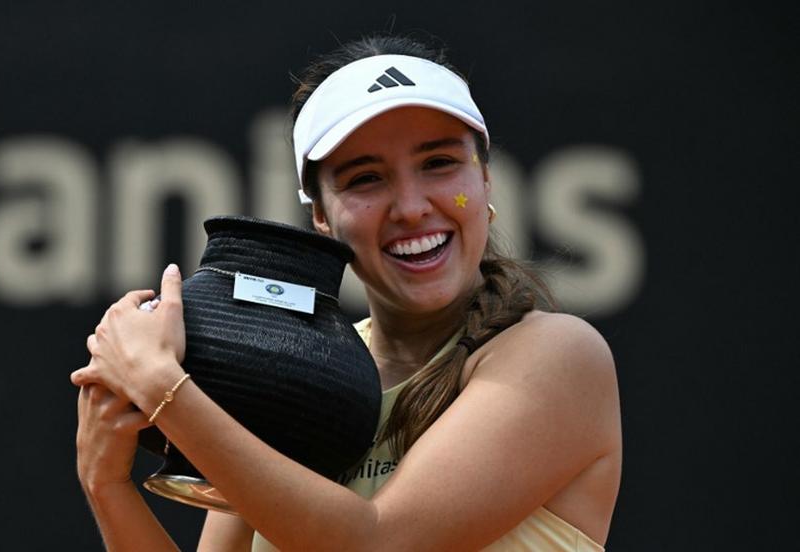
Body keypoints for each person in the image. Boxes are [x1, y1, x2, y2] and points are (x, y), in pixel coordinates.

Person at [71, 33, 622, 551]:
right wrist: (106, 481)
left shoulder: (560, 355)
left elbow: (375, 543)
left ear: (484, 179)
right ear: (322, 218)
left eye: (438, 164)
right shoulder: (290, 373)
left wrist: (163, 385)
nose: (410, 207)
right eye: (365, 179)